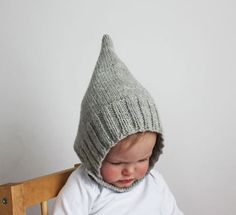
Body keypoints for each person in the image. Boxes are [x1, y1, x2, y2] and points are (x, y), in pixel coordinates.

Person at [52, 34, 184, 215]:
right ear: (94, 156)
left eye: (142, 160)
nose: (129, 171)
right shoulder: (84, 189)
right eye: (117, 162)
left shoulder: (154, 183)